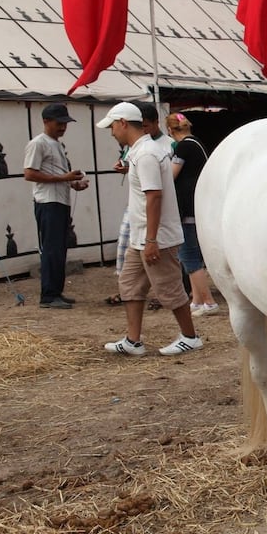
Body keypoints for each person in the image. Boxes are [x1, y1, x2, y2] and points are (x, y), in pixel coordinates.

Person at [96, 102, 203, 356]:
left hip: (155, 236)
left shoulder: (145, 155)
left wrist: (152, 239)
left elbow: (154, 196)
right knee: (130, 284)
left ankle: (190, 336)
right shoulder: (141, 151)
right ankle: (133, 340)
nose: (111, 132)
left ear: (123, 123)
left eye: (112, 126)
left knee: (169, 288)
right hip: (141, 236)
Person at [106, 102, 174, 307]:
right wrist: (125, 168)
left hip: (155, 212)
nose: (143, 130)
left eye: (145, 125)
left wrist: (151, 239)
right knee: (126, 250)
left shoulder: (160, 147)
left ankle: (185, 328)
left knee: (166, 276)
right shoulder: (137, 148)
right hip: (138, 208)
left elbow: (155, 193)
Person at [23, 103, 90, 309]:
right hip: (48, 202)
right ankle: (48, 295)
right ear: (46, 121)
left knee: (60, 248)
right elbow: (29, 173)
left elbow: (57, 174)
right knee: (52, 248)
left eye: (65, 123)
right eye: (59, 123)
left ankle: (56, 291)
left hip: (60, 200)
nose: (63, 127)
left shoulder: (56, 144)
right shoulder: (38, 143)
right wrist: (64, 177)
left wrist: (73, 183)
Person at [166, 112, 219, 315]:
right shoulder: (197, 144)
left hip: (186, 207)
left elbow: (171, 175)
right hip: (198, 204)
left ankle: (208, 301)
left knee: (189, 255)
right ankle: (196, 300)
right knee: (190, 253)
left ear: (170, 130)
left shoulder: (183, 147)